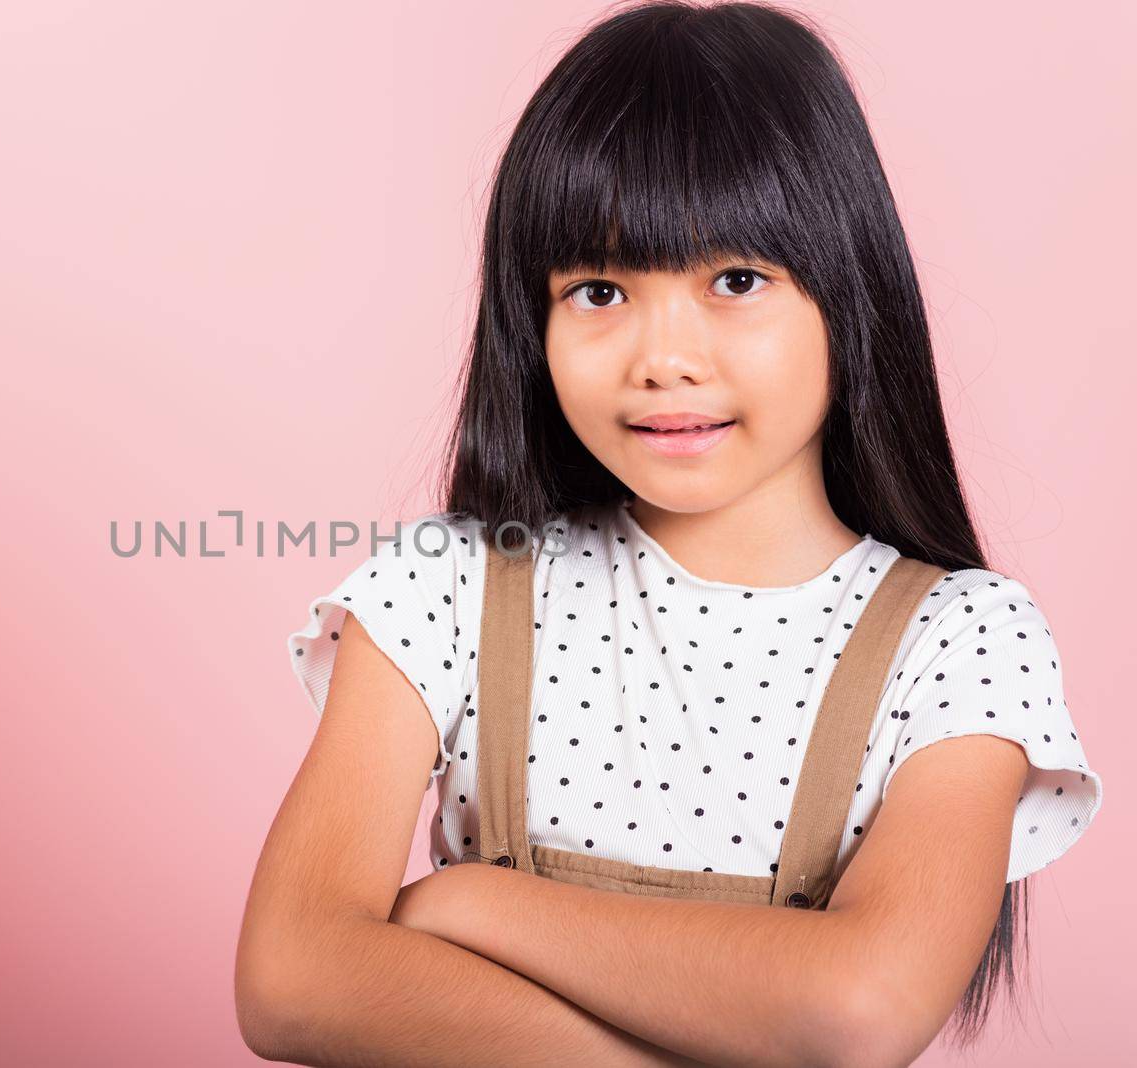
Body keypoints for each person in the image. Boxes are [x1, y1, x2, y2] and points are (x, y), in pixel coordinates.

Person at [237, 3, 1103, 1064]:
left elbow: (858, 1010)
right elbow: (289, 979)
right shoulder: (447, 587)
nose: (663, 358)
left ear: (849, 288)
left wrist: (468, 903)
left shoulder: (958, 640)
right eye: (598, 290)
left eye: (735, 282)